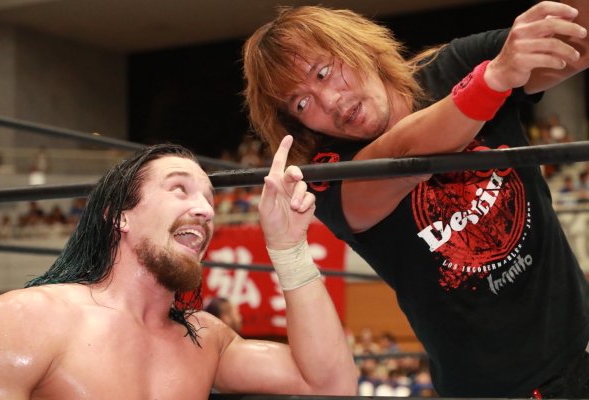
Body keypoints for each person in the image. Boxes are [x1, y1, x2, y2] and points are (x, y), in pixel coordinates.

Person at [242, 1, 589, 397]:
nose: (330, 102)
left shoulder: (455, 65)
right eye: (302, 104)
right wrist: (493, 80)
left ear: (357, 46)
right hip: (498, 390)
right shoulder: (328, 174)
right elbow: (404, 152)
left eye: (323, 72)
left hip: (580, 340)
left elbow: (577, 43)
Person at [0, 137, 358, 398]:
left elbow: (330, 384)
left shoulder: (205, 340)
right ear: (119, 217)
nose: (206, 210)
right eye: (180, 189)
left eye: (209, 198)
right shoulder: (28, 317)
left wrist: (289, 247)